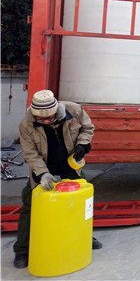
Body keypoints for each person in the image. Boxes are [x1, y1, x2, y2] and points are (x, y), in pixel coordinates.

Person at [13, 90, 102, 269]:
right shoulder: (26, 125)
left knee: (81, 203)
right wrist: (43, 174)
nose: (46, 121)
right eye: (41, 119)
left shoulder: (74, 111)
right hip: (44, 166)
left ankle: (85, 237)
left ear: (56, 111)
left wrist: (83, 145)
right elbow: (30, 153)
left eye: (50, 118)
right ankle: (22, 250)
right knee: (30, 204)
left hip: (70, 164)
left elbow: (87, 128)